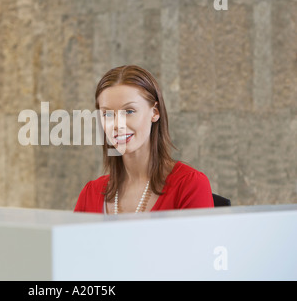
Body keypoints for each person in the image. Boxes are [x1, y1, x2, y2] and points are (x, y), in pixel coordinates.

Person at [74, 65, 214, 214]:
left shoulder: (189, 185)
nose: (116, 125)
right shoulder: (90, 194)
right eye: (107, 114)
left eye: (129, 111)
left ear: (155, 112)